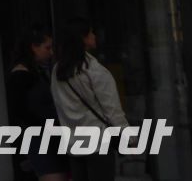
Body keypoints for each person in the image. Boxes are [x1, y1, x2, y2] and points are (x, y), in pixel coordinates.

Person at [51, 18, 127, 181]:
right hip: (98, 143)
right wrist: (127, 136)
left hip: (73, 144)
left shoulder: (58, 70)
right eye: (91, 32)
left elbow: (59, 105)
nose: (94, 36)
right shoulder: (94, 71)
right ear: (83, 39)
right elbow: (112, 110)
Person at [8, 26, 67, 181]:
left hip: (49, 136)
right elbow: (19, 110)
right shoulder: (21, 75)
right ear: (34, 47)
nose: (51, 52)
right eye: (47, 48)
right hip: (39, 138)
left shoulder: (38, 72)